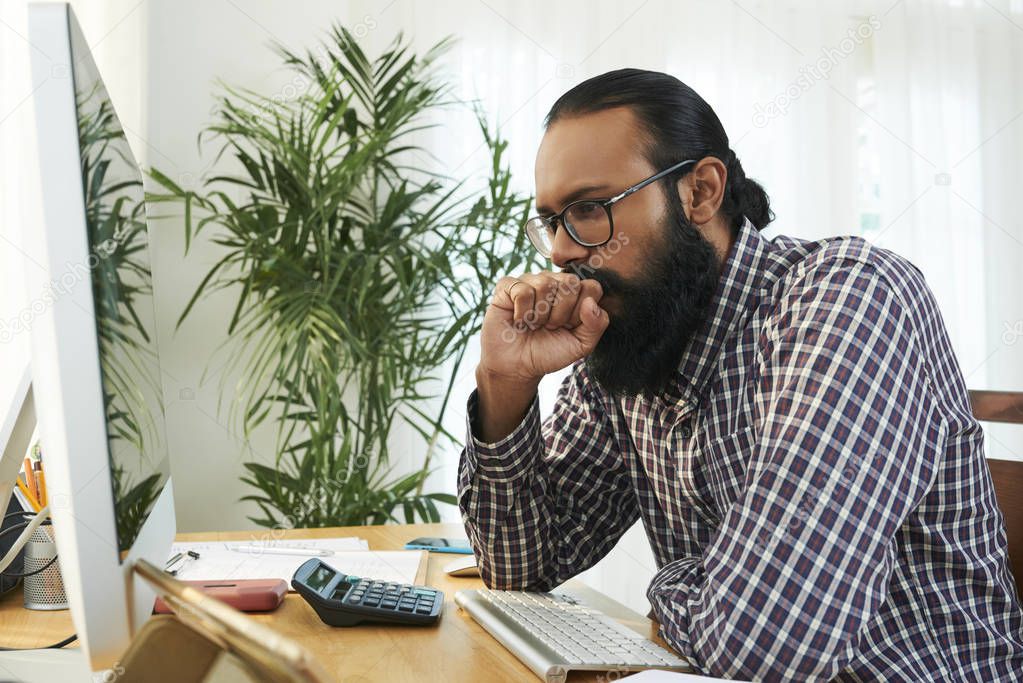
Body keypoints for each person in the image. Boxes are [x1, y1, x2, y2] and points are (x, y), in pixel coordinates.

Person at [457, 68, 1023, 681]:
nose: (563, 251)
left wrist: (668, 585)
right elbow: (520, 568)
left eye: (591, 208)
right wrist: (504, 385)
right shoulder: (632, 334)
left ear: (699, 192)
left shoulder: (851, 299)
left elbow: (766, 648)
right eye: (552, 220)